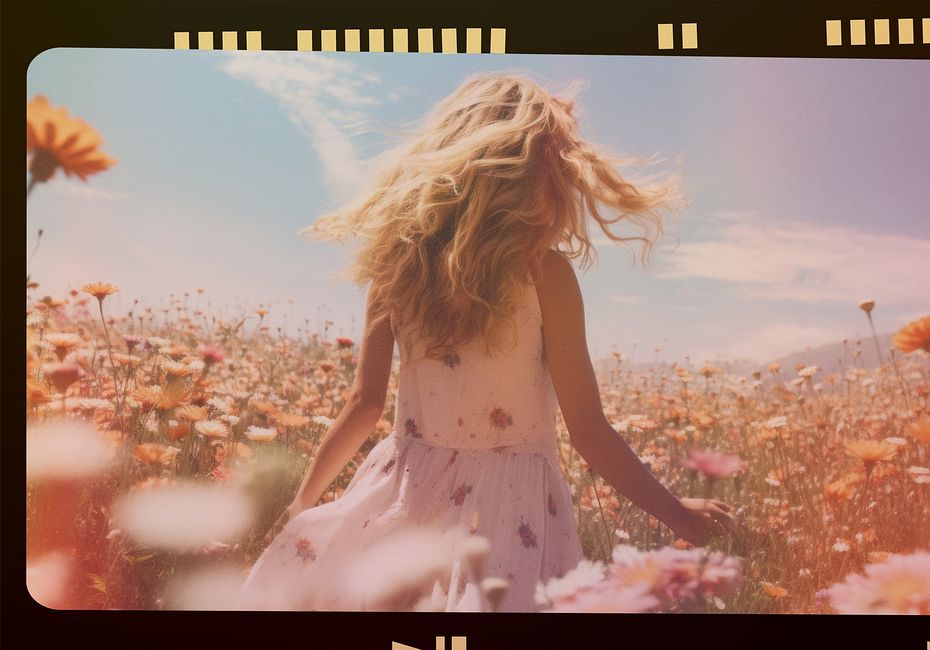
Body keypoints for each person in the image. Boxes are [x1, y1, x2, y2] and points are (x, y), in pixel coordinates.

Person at [237, 71, 736, 612]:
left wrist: (303, 503)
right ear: (538, 168)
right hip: (508, 511)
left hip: (402, 489)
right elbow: (588, 430)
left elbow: (365, 404)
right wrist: (678, 515)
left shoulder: (396, 268)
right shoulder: (544, 273)